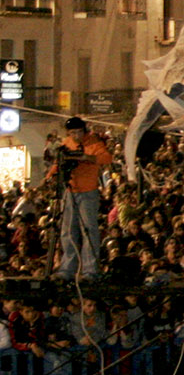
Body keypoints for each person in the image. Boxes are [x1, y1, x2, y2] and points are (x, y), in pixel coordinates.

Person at [54, 117, 112, 280]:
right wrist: (51, 174)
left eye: (78, 132)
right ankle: (67, 269)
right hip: (70, 190)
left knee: (88, 230)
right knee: (68, 231)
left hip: (88, 192)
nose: (76, 135)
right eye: (72, 133)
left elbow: (107, 158)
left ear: (84, 131)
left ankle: (90, 269)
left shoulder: (94, 143)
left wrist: (87, 158)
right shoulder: (66, 143)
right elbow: (59, 162)